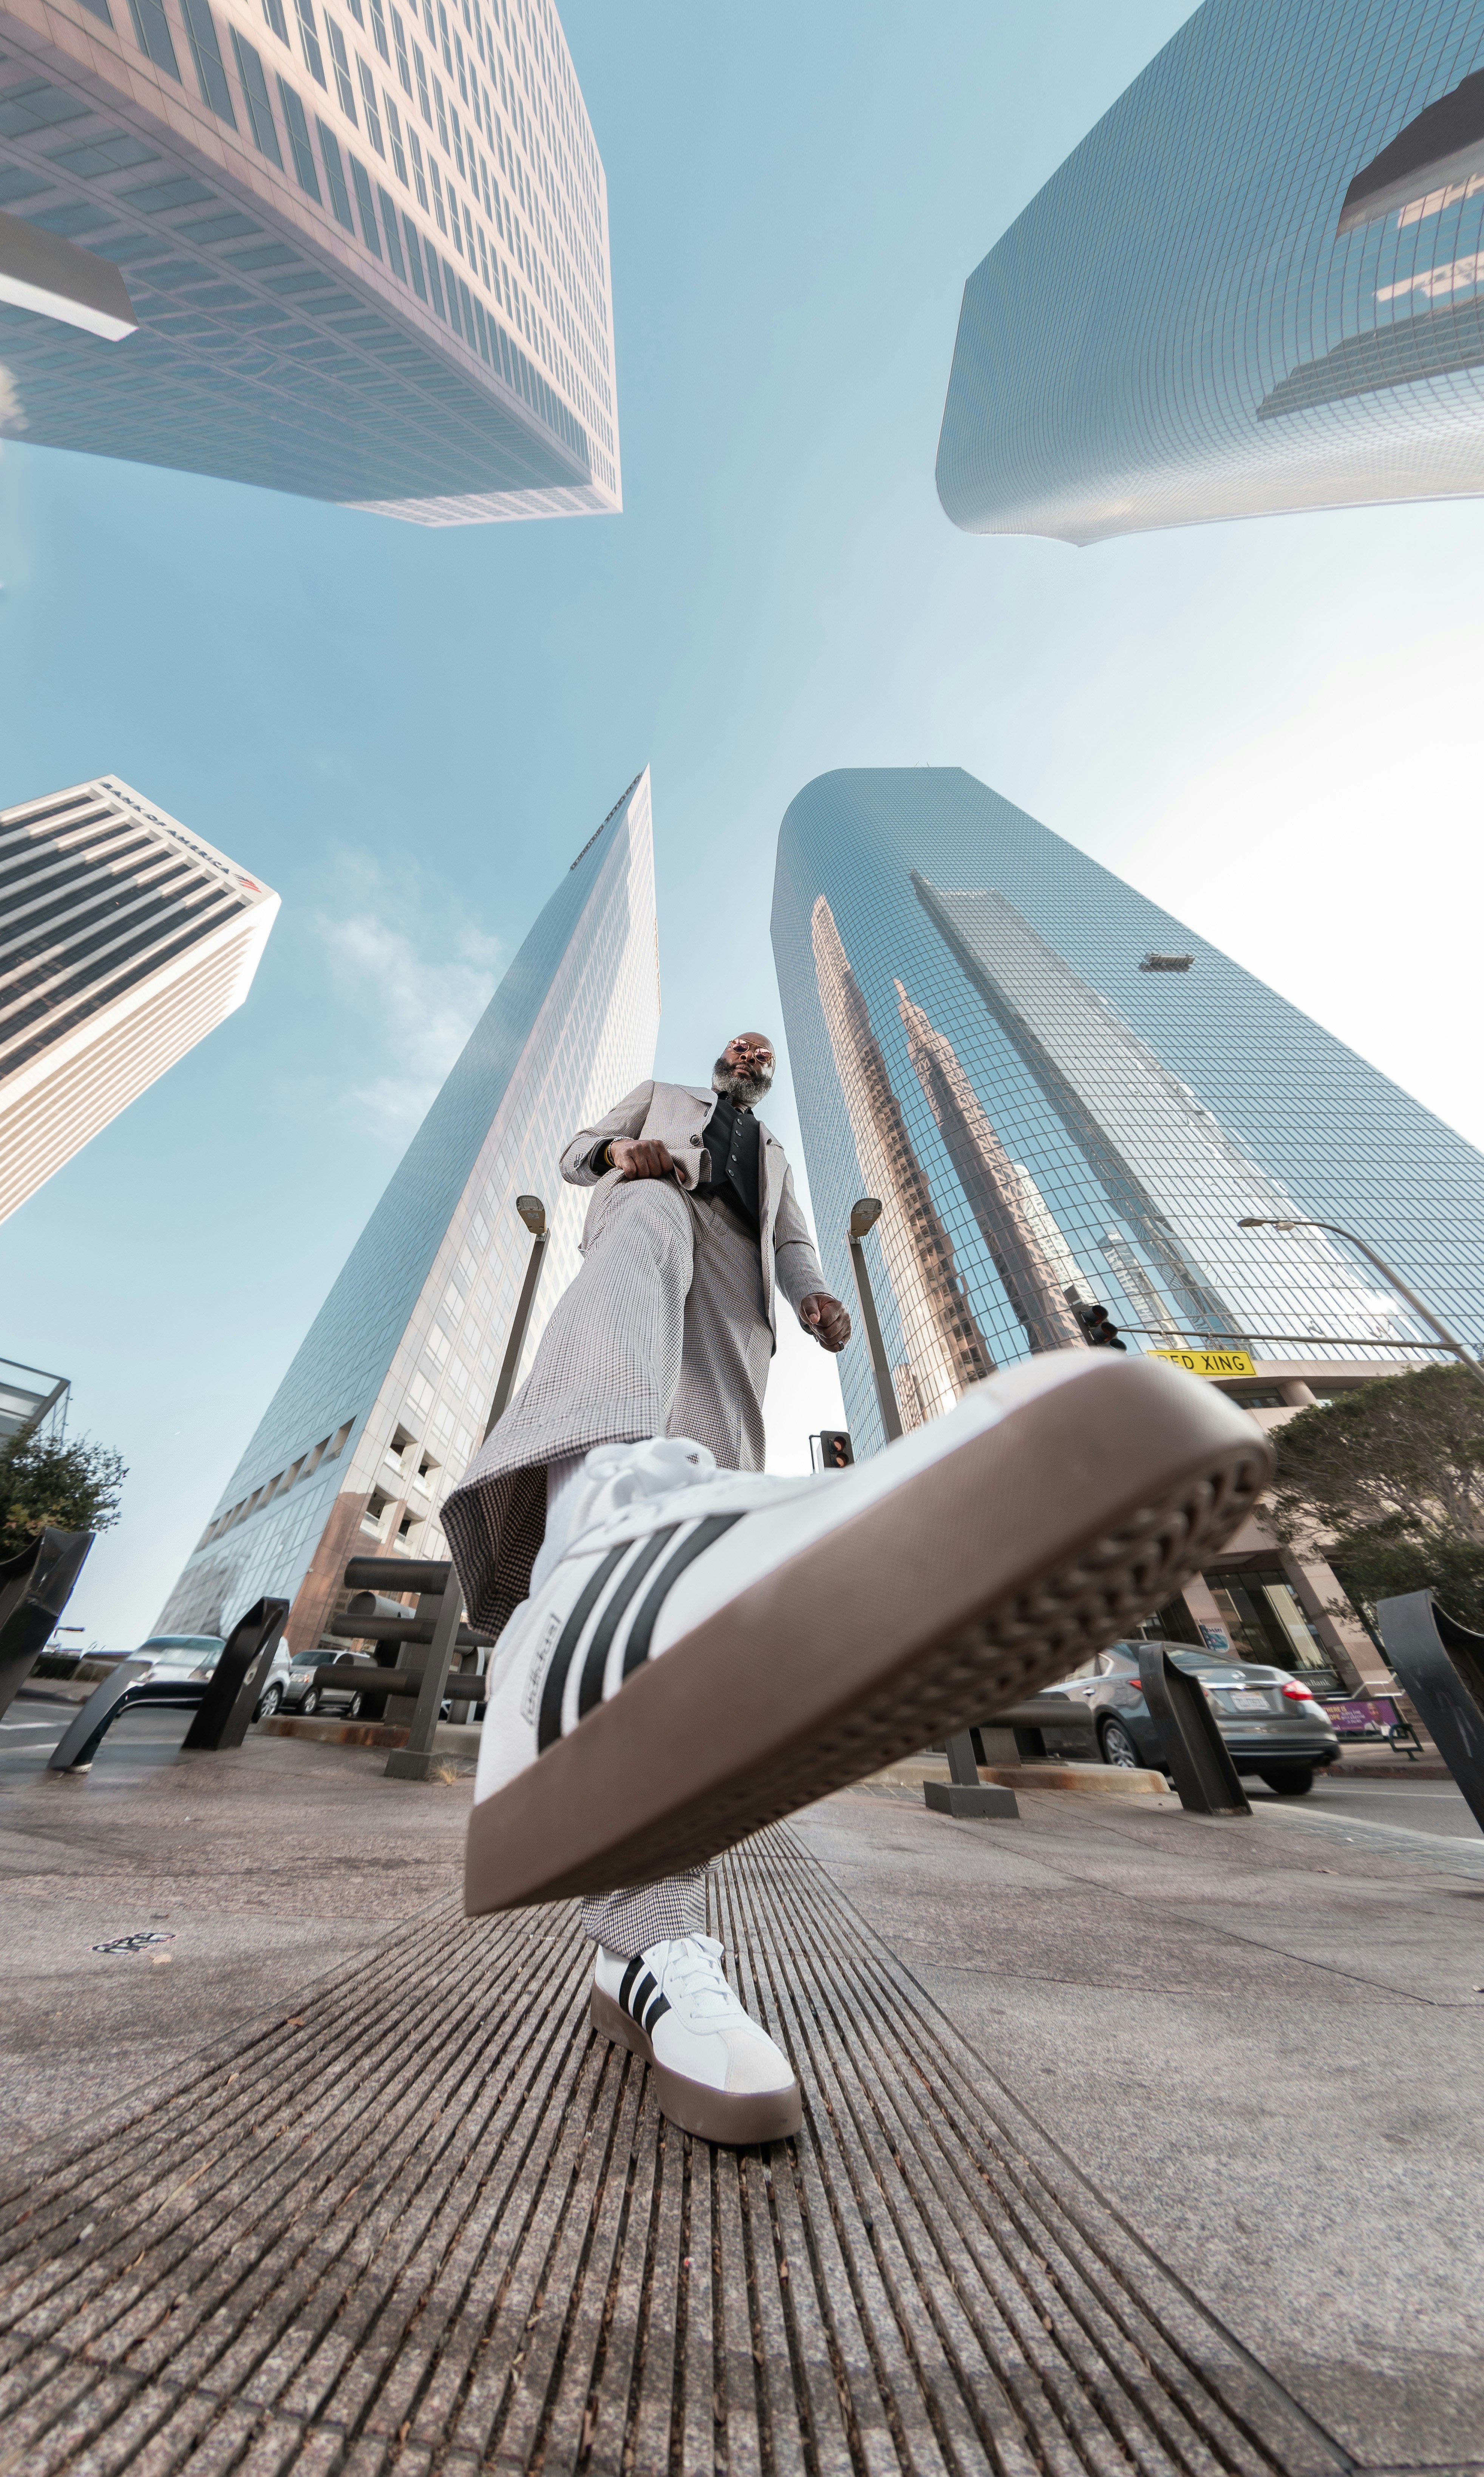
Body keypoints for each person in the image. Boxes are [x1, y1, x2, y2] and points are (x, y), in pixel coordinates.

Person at [445, 1037, 1269, 2146]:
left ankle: (647, 1941)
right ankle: (592, 1543)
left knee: (678, 1616)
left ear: (766, 1077)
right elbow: (576, 1149)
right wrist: (622, 1153)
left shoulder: (774, 1153)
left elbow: (790, 1248)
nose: (749, 1054)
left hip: (736, 1301)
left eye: (762, 1053)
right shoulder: (669, 1098)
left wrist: (821, 1296)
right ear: (717, 1059)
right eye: (738, 1043)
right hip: (648, 1215)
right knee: (642, 1231)